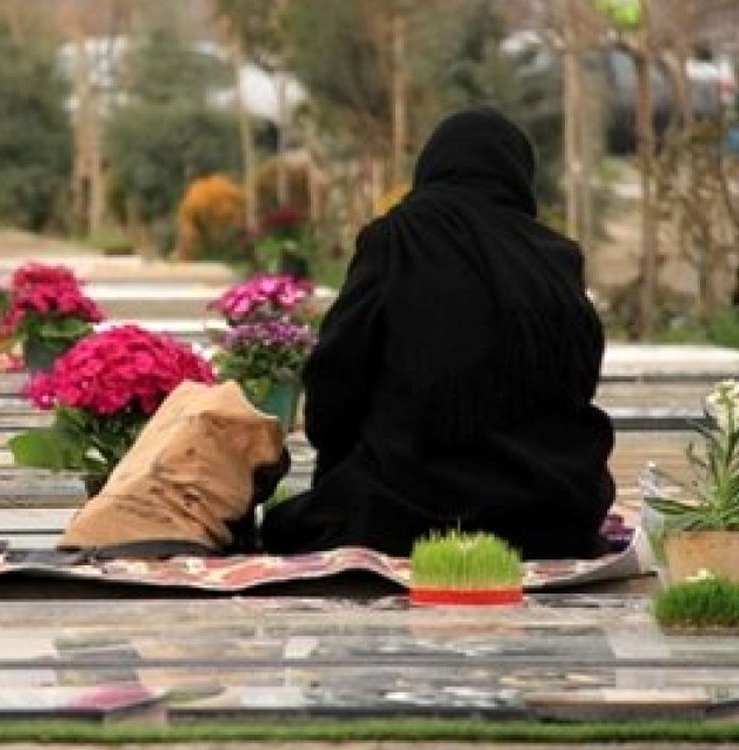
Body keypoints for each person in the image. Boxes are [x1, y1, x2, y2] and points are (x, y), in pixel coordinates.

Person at [261, 107, 616, 560]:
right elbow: (578, 383)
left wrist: (339, 465)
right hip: (550, 513)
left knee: (286, 527)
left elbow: (337, 373)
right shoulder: (555, 258)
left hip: (411, 508)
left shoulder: (396, 240)